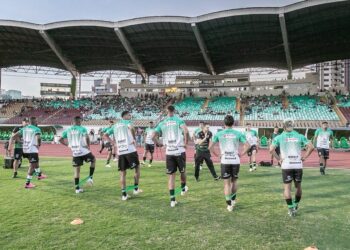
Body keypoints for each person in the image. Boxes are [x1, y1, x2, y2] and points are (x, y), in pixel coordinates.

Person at [270, 118, 314, 217]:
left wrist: (278, 159)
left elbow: (271, 149)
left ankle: (290, 209)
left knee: (287, 188)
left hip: (286, 165)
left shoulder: (279, 137)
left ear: (283, 126)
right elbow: (311, 147)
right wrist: (304, 157)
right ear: (293, 125)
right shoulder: (299, 136)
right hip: (298, 164)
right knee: (298, 186)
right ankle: (296, 205)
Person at [209, 115, 249, 212]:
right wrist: (241, 154)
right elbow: (248, 145)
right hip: (235, 160)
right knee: (234, 181)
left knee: (226, 184)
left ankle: (229, 204)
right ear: (233, 123)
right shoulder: (238, 133)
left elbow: (210, 147)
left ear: (224, 123)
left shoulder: (219, 134)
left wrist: (217, 155)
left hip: (225, 160)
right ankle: (233, 200)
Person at [152, 105, 189, 208]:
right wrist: (186, 143)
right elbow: (185, 131)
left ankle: (172, 200)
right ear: (174, 110)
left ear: (166, 111)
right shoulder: (178, 120)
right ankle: (182, 188)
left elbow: (152, 136)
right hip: (179, 151)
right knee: (183, 171)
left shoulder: (162, 122)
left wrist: (160, 144)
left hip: (169, 152)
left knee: (171, 177)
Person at [104, 111, 142, 201]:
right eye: (129, 115)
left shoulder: (115, 125)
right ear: (124, 116)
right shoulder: (128, 122)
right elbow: (132, 128)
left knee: (123, 173)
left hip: (121, 151)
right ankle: (135, 189)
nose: (130, 116)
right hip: (130, 150)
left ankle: (124, 195)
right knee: (137, 168)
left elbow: (105, 135)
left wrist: (113, 143)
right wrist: (133, 138)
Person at [59, 116, 95, 194]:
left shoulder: (68, 130)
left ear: (73, 121)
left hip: (75, 152)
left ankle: (77, 189)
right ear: (79, 121)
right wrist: (88, 146)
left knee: (77, 171)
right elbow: (87, 137)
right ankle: (90, 178)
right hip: (83, 150)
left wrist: (68, 145)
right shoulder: (82, 128)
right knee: (93, 160)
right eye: (80, 121)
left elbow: (60, 139)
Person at [9, 117, 46, 189]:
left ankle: (39, 175)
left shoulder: (24, 129)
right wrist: (38, 145)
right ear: (35, 122)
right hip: (32, 149)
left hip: (25, 149)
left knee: (36, 161)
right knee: (32, 166)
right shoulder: (36, 129)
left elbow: (13, 136)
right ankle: (27, 183)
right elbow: (38, 138)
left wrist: (21, 141)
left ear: (29, 122)